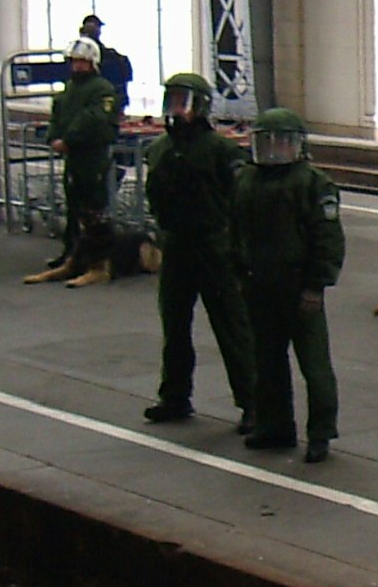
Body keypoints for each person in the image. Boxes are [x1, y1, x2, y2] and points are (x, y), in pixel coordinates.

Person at [143, 73, 257, 434]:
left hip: (213, 245)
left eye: (183, 101)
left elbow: (240, 199)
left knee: (232, 325)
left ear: (201, 106)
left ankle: (253, 403)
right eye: (172, 101)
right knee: (174, 325)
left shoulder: (221, 150)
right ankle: (175, 395)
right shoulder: (160, 148)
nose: (176, 109)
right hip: (176, 244)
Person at [235, 108, 346, 464]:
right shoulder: (247, 180)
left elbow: (327, 238)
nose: (274, 150)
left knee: (314, 365)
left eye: (281, 142)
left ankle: (321, 432)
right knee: (266, 362)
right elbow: (234, 230)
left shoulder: (314, 184)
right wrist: (237, 272)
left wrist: (316, 285)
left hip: (299, 287)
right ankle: (274, 426)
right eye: (266, 142)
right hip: (259, 285)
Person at [45, 36, 122, 266]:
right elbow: (58, 115)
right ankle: (71, 253)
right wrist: (54, 137)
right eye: (74, 61)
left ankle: (95, 257)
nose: (77, 65)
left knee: (93, 209)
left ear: (92, 63)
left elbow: (94, 119)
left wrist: (68, 140)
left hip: (93, 158)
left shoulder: (102, 89)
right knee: (73, 208)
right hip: (74, 158)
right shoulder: (69, 89)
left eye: (82, 61)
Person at [79, 14, 135, 112]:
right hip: (99, 78)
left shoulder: (82, 46)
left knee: (120, 63)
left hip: (102, 77)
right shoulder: (84, 47)